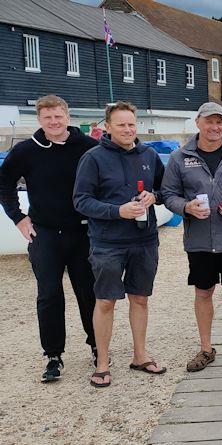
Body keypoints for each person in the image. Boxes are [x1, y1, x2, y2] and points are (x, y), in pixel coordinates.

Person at [0, 95, 98, 383]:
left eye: (58, 116)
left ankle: (97, 346)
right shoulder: (26, 151)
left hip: (82, 232)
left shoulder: (88, 148)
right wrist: (18, 217)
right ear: (39, 119)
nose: (54, 122)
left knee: (88, 292)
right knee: (49, 294)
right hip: (44, 233)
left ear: (67, 116)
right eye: (47, 118)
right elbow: (3, 182)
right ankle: (53, 355)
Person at [73, 101, 166, 387]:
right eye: (121, 124)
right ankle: (102, 362)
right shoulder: (93, 158)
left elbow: (165, 189)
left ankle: (140, 355)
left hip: (144, 240)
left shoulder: (149, 154)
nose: (127, 129)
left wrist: (154, 196)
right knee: (105, 301)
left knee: (140, 299)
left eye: (131, 124)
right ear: (108, 127)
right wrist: (117, 211)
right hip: (107, 243)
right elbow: (81, 201)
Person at [161, 102, 222, 372]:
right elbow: (168, 194)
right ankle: (206, 349)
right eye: (209, 122)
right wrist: (185, 207)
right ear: (198, 123)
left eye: (219, 122)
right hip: (200, 239)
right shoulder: (180, 157)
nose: (215, 127)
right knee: (203, 292)